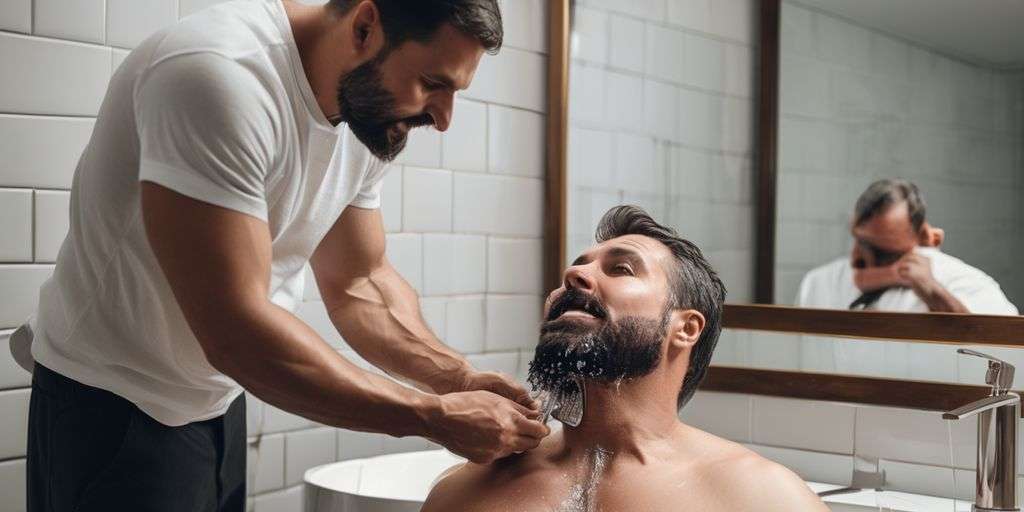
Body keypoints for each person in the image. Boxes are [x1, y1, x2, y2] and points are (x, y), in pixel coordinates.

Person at [15, 1, 548, 510]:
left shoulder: (364, 108)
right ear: (365, 27)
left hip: (217, 401)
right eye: (433, 84)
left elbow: (360, 282)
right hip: (113, 406)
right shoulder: (218, 76)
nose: (445, 116)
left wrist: (458, 379)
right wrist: (433, 416)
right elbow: (235, 329)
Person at [422, 206, 829, 512]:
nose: (573, 275)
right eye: (578, 265)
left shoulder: (759, 498)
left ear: (685, 328)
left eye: (621, 269)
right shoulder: (462, 492)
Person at [797, 179, 1017, 314]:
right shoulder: (817, 283)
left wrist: (933, 292)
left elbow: (999, 352)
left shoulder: (963, 281)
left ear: (919, 236)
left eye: (886, 254)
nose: (868, 260)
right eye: (863, 243)